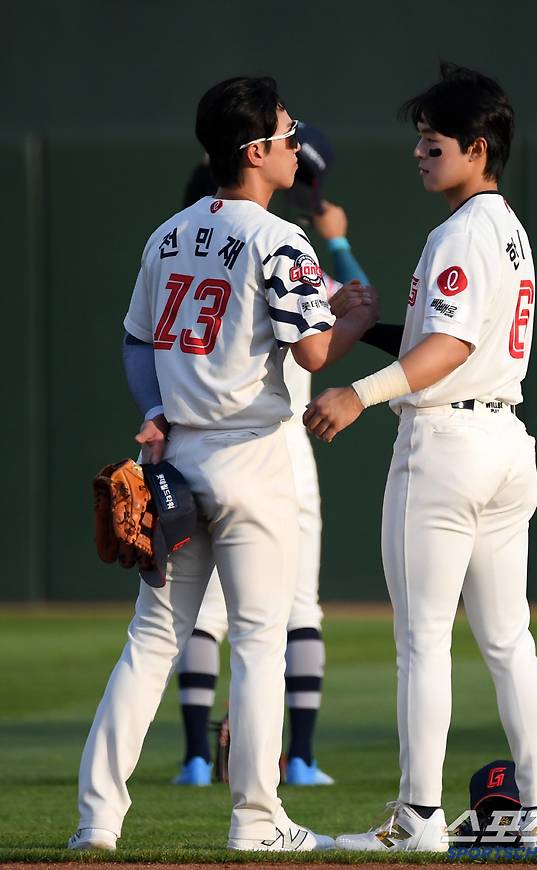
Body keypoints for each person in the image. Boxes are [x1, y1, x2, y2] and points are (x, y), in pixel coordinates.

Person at [68, 75, 377, 853]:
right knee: (259, 641)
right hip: (254, 456)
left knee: (151, 642)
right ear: (257, 151)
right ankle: (256, 820)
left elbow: (138, 339)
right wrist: (354, 323)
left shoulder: (166, 233)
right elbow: (310, 351)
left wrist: (150, 411)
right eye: (284, 131)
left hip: (178, 454)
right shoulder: (280, 240)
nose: (293, 141)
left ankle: (97, 822)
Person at [304, 63, 537, 852]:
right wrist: (385, 331)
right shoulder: (509, 229)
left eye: (434, 143)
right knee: (507, 639)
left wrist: (358, 391)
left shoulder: (460, 233)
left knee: (423, 640)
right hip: (503, 442)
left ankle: (418, 820)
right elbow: (457, 341)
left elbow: (451, 346)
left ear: (478, 148)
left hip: (447, 445)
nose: (420, 154)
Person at [172, 129, 370, 787]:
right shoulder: (284, 243)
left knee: (199, 613)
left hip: (193, 430)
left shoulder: (184, 241)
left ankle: (197, 757)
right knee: (290, 608)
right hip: (274, 441)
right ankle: (300, 760)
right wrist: (335, 236)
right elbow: (363, 304)